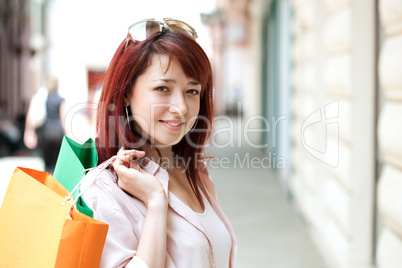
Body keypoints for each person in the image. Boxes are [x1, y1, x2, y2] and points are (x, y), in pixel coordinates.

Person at [81, 18, 237, 268]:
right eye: (163, 88)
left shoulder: (193, 170)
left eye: (192, 91)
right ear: (126, 94)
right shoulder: (102, 191)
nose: (181, 108)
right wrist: (155, 202)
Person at [24, 75, 66, 173]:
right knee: (56, 160)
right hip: (58, 132)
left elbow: (30, 116)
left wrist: (29, 131)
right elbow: (64, 119)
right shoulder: (60, 100)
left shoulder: (40, 98)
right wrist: (68, 135)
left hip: (45, 132)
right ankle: (55, 181)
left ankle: (47, 179)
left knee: (46, 161)